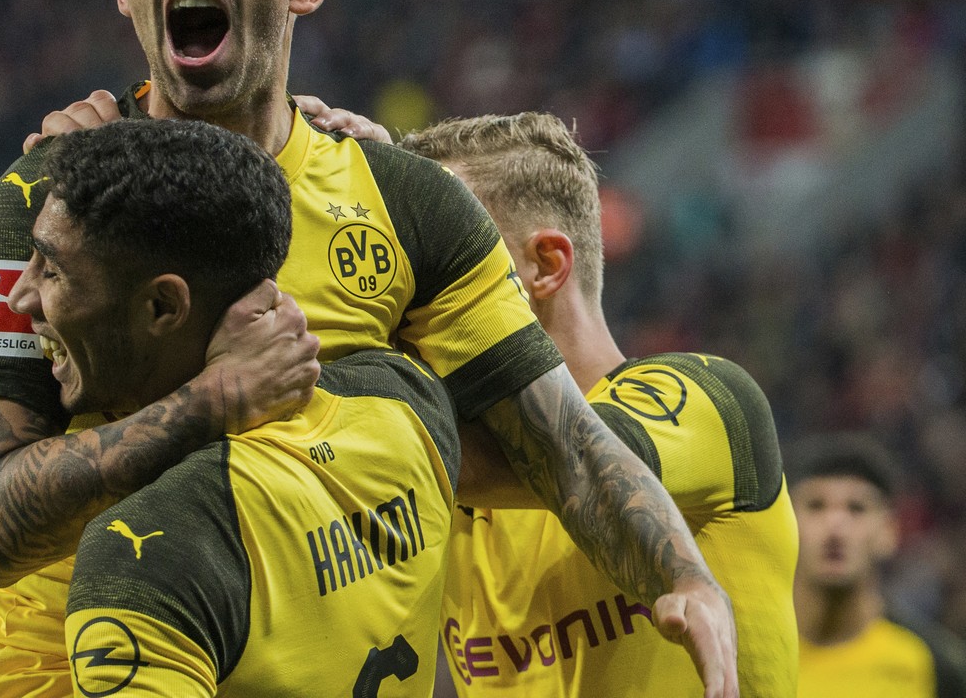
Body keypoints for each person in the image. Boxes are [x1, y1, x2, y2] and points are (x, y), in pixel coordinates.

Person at [0, 0, 737, 696]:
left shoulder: (403, 203)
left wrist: (683, 577)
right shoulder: (46, 201)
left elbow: (564, 448)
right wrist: (211, 404)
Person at [19, 118, 462, 695]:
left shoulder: (149, 548)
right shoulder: (407, 399)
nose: (19, 294)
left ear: (162, 306)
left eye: (51, 270)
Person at [397, 112, 799, 696]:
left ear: (545, 264)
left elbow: (570, 454)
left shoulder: (703, 399)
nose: (407, 286)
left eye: (439, 254)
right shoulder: (451, 496)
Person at [789, 433, 966, 697]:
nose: (835, 526)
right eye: (816, 506)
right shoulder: (742, 650)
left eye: (856, 508)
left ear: (889, 531)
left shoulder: (936, 666)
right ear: (786, 525)